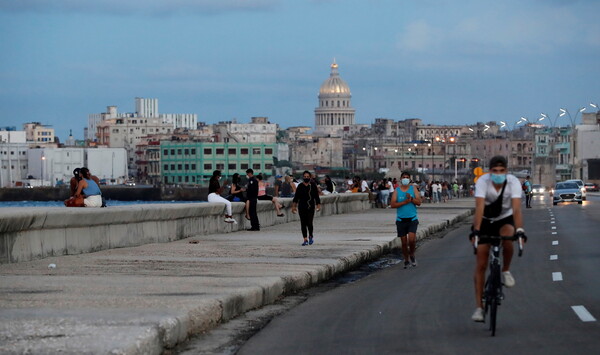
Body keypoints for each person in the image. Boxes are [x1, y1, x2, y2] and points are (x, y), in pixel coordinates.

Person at [469, 156, 527, 322]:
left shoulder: (513, 183)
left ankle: (505, 270)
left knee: (509, 238)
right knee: (481, 263)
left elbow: (516, 209)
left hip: (505, 219)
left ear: (506, 172)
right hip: (485, 220)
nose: (498, 174)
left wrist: (520, 230)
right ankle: (479, 308)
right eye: (495, 171)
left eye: (502, 171)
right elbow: (479, 207)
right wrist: (477, 231)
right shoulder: (482, 182)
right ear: (490, 171)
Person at [390, 171, 422, 268]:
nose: (405, 179)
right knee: (404, 243)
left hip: (412, 219)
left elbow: (419, 202)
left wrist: (411, 199)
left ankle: (412, 254)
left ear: (409, 179)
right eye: (404, 177)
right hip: (401, 220)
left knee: (411, 240)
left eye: (407, 177)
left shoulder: (413, 189)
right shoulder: (397, 191)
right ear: (401, 179)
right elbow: (392, 204)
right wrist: (404, 202)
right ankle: (406, 259)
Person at [292, 170, 321, 246]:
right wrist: (294, 206)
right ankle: (305, 238)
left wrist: (318, 205)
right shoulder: (300, 186)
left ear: (310, 177)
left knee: (309, 222)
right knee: (303, 223)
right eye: (305, 177)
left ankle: (310, 235)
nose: (306, 178)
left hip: (310, 207)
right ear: (303, 177)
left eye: (307, 177)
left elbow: (316, 196)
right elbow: (296, 197)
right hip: (302, 207)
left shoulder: (313, 185)